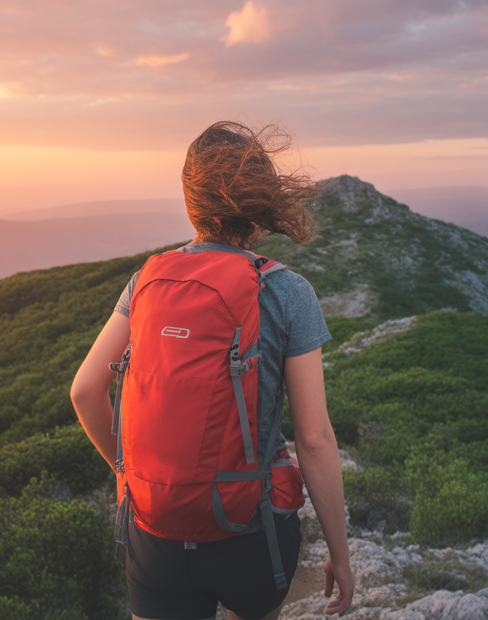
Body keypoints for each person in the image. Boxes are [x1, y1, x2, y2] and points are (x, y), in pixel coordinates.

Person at [70, 121, 355, 620]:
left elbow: (86, 390)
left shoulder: (145, 282)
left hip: (155, 532)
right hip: (250, 531)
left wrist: (131, 473)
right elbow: (314, 440)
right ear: (259, 201)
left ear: (191, 200)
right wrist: (341, 554)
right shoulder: (288, 291)